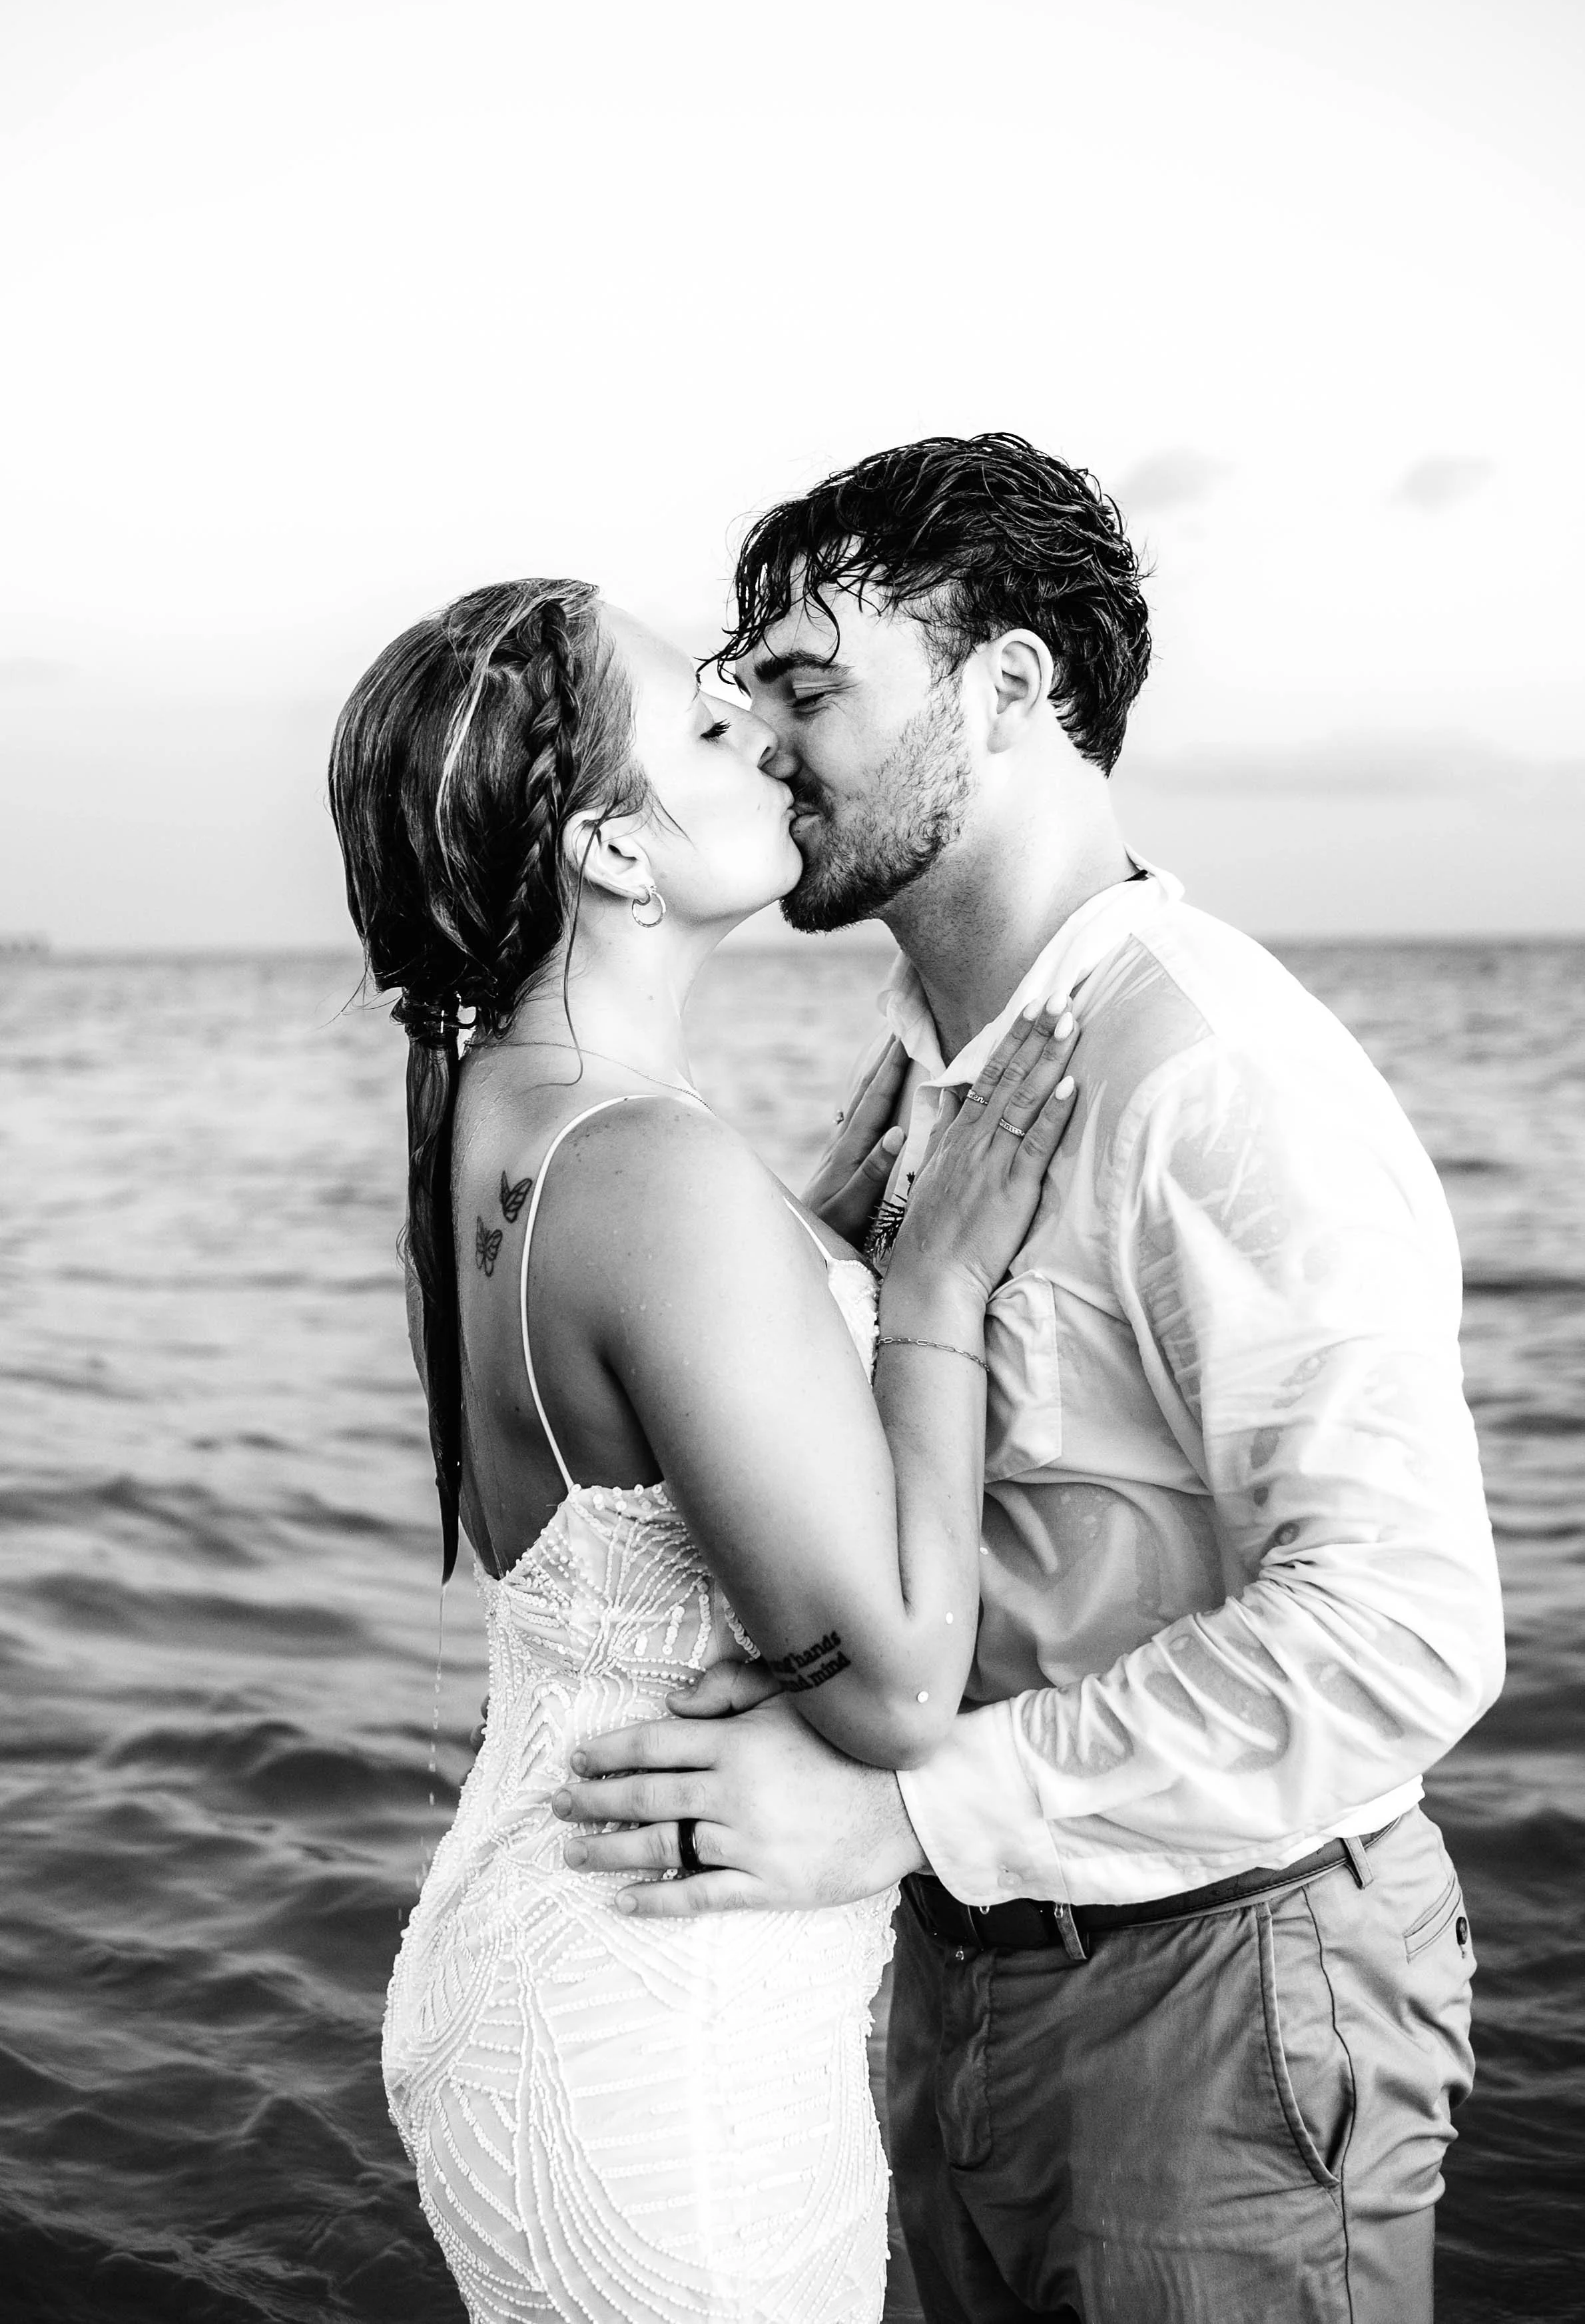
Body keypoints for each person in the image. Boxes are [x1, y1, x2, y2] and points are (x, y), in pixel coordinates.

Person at [553, 434, 1508, 2324]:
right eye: (740, 690)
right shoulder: (924, 1070)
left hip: (1226, 1995)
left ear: (1007, 690)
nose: (760, 735)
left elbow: (1401, 1632)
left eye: (811, 685)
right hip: (954, 1973)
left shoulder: (1211, 1073)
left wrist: (904, 1810)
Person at [327, 575, 1082, 2324]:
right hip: (661, 2050)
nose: (758, 729)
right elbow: (891, 1698)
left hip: (549, 1961)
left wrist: (816, 1220)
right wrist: (938, 1289)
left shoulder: (497, 1131)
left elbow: (643, 1405)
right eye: (705, 724)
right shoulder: (652, 1173)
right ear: (608, 851)